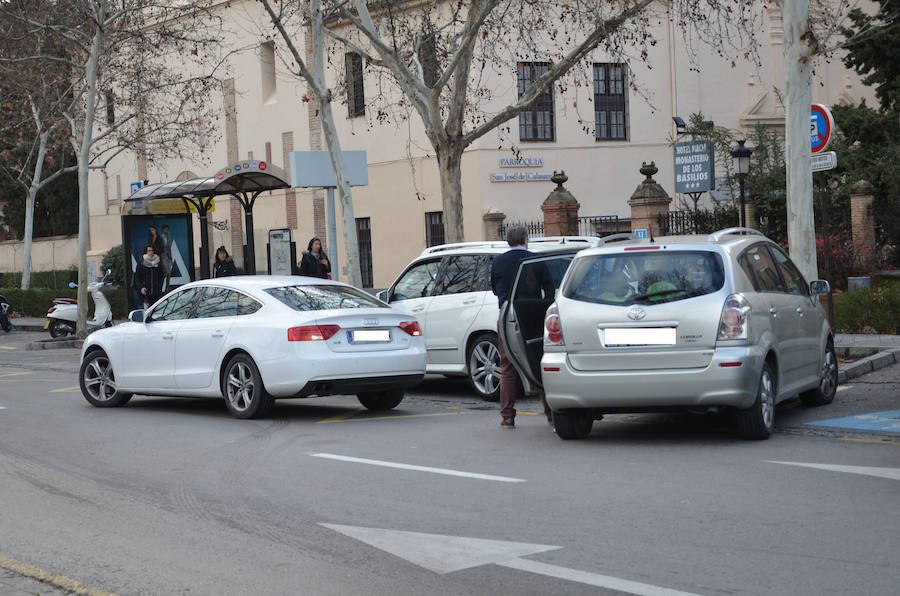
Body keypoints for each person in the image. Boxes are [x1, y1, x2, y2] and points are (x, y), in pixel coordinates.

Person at [490, 225, 552, 429]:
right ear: (526, 239)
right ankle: (550, 411)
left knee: (507, 366)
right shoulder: (536, 260)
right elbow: (549, 291)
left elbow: (494, 289)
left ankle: (507, 415)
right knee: (540, 360)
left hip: (506, 316)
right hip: (532, 315)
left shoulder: (498, 261)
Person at [134, 244, 164, 309]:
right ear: (146, 252)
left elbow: (161, 275)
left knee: (156, 305)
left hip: (156, 290)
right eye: (149, 250)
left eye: (152, 250)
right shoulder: (142, 262)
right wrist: (141, 287)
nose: (150, 252)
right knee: (146, 306)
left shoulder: (158, 262)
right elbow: (137, 276)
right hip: (145, 289)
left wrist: (159, 286)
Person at [160, 224, 173, 291]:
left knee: (169, 272)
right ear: (163, 230)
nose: (167, 230)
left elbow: (169, 249)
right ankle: (162, 286)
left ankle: (167, 287)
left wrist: (171, 258)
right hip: (162, 257)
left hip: (167, 257)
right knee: (166, 272)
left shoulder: (167, 237)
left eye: (167, 229)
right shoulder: (160, 237)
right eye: (166, 229)